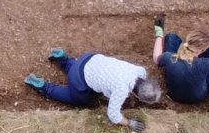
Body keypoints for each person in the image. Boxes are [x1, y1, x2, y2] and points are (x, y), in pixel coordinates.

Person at [25, 45, 163, 128]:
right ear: (137, 95)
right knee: (81, 100)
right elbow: (113, 115)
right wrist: (129, 123)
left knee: (80, 70)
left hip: (89, 58)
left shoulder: (139, 71)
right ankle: (44, 87)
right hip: (79, 78)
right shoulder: (121, 90)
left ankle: (63, 58)